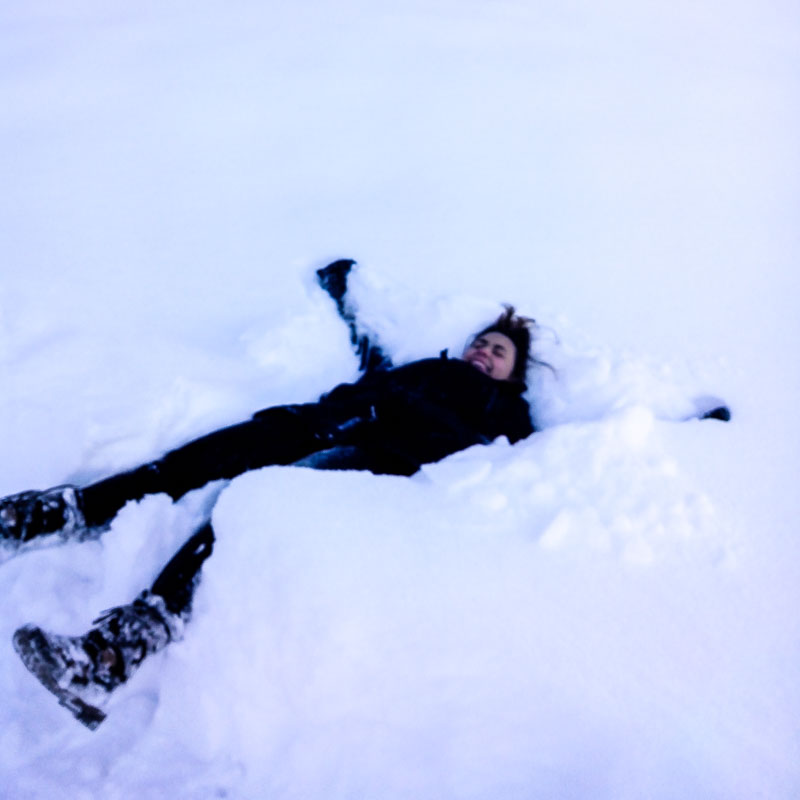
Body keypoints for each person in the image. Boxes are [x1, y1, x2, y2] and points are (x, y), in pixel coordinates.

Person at [0, 259, 539, 729]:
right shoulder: (421, 369)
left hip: (373, 460)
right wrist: (343, 295)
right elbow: (371, 355)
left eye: (499, 352)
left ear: (513, 375)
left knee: (242, 515)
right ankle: (47, 516)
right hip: (309, 423)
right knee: (184, 465)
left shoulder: (507, 413)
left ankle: (110, 656)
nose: (484, 353)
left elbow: (537, 473)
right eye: (480, 343)